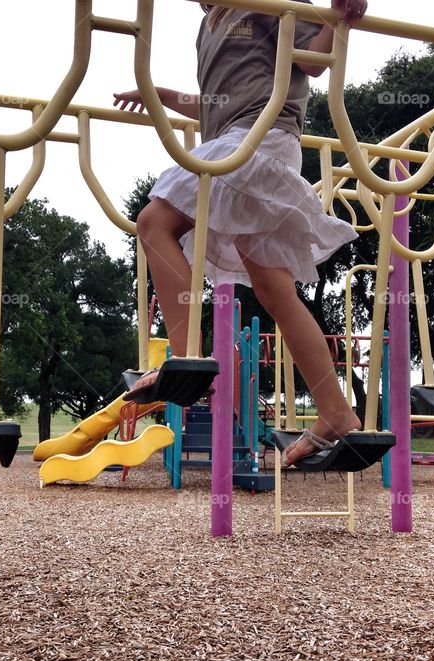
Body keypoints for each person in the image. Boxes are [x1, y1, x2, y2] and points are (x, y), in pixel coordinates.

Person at [113, 0, 368, 468]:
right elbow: (216, 103)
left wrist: (341, 19)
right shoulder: (208, 26)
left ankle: (187, 358)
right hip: (240, 139)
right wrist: (167, 96)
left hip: (260, 139)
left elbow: (311, 62)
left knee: (154, 222)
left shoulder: (269, 2)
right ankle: (337, 413)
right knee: (274, 290)